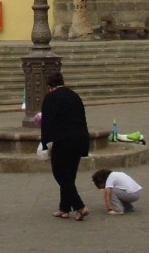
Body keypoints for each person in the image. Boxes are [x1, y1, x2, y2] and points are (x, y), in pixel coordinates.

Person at [40, 71, 90, 220]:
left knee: (60, 173)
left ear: (50, 86)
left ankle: (80, 206)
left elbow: (47, 122)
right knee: (70, 174)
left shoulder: (51, 98)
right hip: (80, 137)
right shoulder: (74, 95)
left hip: (63, 139)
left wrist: (45, 143)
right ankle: (64, 208)